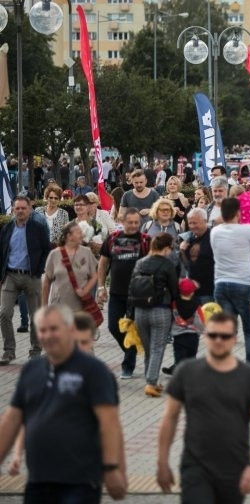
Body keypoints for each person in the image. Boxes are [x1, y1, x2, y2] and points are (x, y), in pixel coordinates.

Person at [0, 304, 128, 502]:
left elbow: (110, 424)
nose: (48, 335)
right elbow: (12, 419)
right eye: (43, 330)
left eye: (54, 329)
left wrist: (112, 468)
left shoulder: (94, 371)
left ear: (69, 330)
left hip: (80, 481)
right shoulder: (31, 370)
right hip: (38, 479)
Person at [157, 312, 250, 503]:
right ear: (204, 336)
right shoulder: (186, 372)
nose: (218, 340)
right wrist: (162, 462)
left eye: (225, 336)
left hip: (235, 469)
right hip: (195, 468)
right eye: (213, 335)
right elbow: (170, 418)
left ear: (235, 339)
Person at [211, 197, 250, 371]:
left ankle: (224, 366)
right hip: (244, 284)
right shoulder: (246, 230)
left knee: (226, 330)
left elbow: (217, 222)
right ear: (239, 213)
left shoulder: (215, 232)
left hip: (221, 284)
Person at [98, 208, 149, 379]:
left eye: (136, 222)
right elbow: (103, 263)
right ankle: (131, 349)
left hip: (138, 294)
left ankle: (128, 365)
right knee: (114, 327)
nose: (134, 225)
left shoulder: (146, 241)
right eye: (130, 222)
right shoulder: (113, 239)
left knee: (134, 328)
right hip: (117, 293)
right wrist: (100, 287)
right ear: (123, 222)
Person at [0, 196, 52, 364]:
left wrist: (39, 269)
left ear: (30, 209)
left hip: (32, 275)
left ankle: (35, 351)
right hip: (11, 275)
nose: (20, 211)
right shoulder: (7, 228)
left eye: (24, 208)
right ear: (13, 210)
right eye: (17, 208)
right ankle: (9, 351)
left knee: (35, 315)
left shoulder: (38, 228)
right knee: (4, 313)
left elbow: (46, 249)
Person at [131, 233, 179, 397]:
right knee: (158, 347)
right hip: (160, 309)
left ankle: (150, 379)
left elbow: (131, 288)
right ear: (165, 248)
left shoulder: (140, 263)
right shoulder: (167, 265)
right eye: (171, 248)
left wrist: (129, 314)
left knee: (148, 348)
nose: (171, 251)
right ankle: (151, 383)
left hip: (139, 311)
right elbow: (174, 290)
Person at [42, 221, 99, 312]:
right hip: (58, 307)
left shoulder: (86, 252)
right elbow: (46, 283)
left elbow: (95, 275)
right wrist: (44, 308)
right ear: (69, 236)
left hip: (80, 308)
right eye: (79, 232)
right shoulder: (54, 254)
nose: (82, 235)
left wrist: (85, 290)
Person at [179, 208, 215, 302]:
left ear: (205, 221)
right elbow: (187, 265)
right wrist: (182, 251)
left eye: (195, 223)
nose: (192, 226)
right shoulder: (189, 239)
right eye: (190, 223)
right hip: (193, 293)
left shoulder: (213, 237)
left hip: (210, 292)